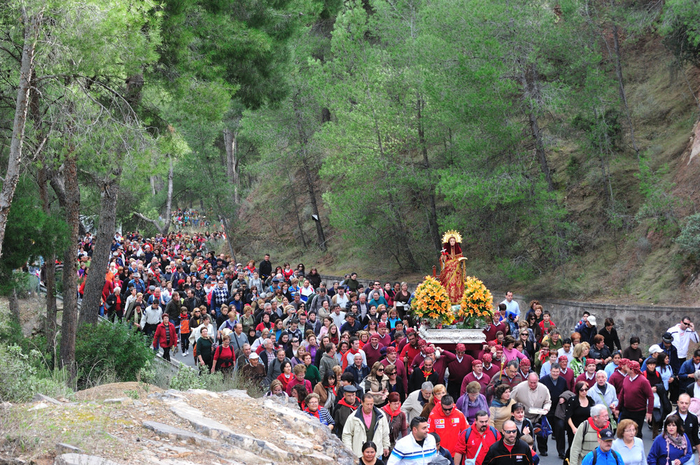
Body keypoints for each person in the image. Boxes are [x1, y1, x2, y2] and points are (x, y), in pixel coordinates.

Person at [343, 393, 391, 459]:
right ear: (362, 403)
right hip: (359, 454)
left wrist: (386, 446)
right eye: (367, 404)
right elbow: (347, 434)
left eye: (371, 404)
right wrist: (349, 451)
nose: (369, 407)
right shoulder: (353, 417)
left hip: (376, 453)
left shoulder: (381, 415)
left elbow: (385, 432)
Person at [618, 361, 654, 438]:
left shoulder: (643, 381)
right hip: (626, 410)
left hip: (638, 412)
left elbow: (650, 396)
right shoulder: (626, 379)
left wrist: (649, 412)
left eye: (627, 367)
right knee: (622, 431)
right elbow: (622, 394)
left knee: (636, 433)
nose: (625, 368)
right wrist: (617, 408)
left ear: (632, 369)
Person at [540, 363, 568, 458]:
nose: (555, 373)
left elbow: (567, 391)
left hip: (558, 410)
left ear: (559, 372)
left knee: (560, 428)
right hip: (546, 409)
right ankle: (543, 449)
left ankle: (561, 452)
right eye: (554, 371)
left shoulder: (563, 381)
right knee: (544, 429)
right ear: (550, 371)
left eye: (557, 372)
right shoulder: (543, 380)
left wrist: (564, 397)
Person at [566, 381, 595, 458]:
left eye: (586, 389)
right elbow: (568, 416)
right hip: (575, 428)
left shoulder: (590, 400)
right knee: (573, 448)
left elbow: (593, 415)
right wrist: (573, 428)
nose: (584, 392)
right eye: (581, 390)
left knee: (585, 448)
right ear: (578, 390)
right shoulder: (572, 400)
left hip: (586, 429)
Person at [667, 393, 700, 459]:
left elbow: (695, 437)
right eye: (682, 403)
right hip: (673, 454)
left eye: (686, 403)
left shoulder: (693, 417)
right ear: (677, 403)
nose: (684, 405)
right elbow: (664, 436)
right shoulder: (670, 417)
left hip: (688, 454)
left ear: (689, 404)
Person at [438, 230, 467, 304]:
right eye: (451, 241)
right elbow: (442, 260)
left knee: (457, 284)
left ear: (455, 241)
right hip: (448, 271)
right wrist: (443, 257)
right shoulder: (446, 250)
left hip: (456, 271)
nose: (452, 242)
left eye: (453, 241)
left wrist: (460, 262)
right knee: (448, 284)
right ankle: (447, 298)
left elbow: (461, 258)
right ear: (448, 241)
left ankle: (457, 299)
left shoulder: (458, 250)